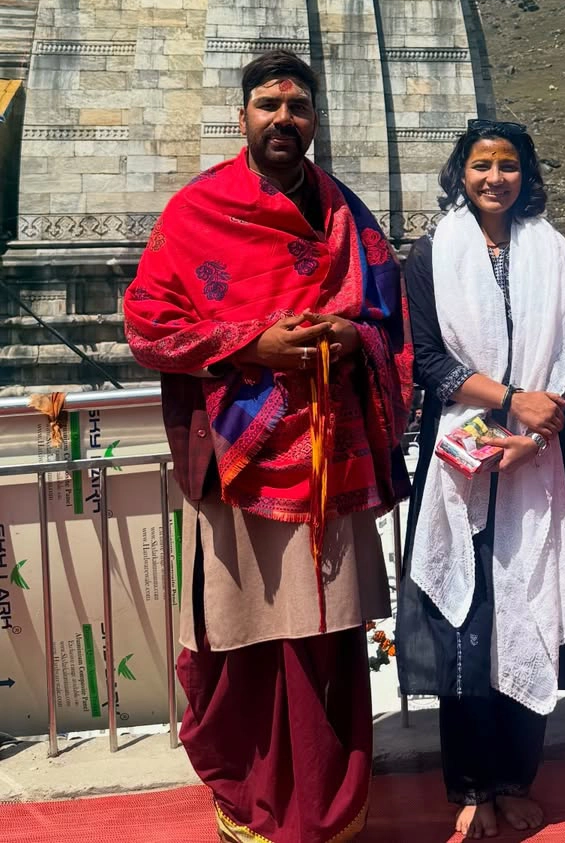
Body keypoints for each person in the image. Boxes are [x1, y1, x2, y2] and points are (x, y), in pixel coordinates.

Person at [124, 51, 411, 843]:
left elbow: (388, 319)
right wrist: (256, 343)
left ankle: (329, 807)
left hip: (332, 467)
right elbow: (148, 323)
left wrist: (349, 334)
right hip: (241, 464)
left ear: (314, 120)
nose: (284, 117)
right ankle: (255, 801)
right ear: (242, 116)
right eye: (269, 104)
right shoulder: (197, 212)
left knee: (328, 644)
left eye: (298, 106)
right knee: (243, 644)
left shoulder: (347, 213)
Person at [396, 119, 565, 840]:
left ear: (526, 174)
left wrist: (536, 433)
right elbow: (429, 361)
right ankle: (471, 785)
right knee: (467, 627)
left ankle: (516, 779)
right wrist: (513, 402)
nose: (494, 177)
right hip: (463, 457)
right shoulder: (433, 252)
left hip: (537, 457)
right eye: (481, 164)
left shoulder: (552, 252)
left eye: (508, 165)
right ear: (461, 171)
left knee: (528, 607)